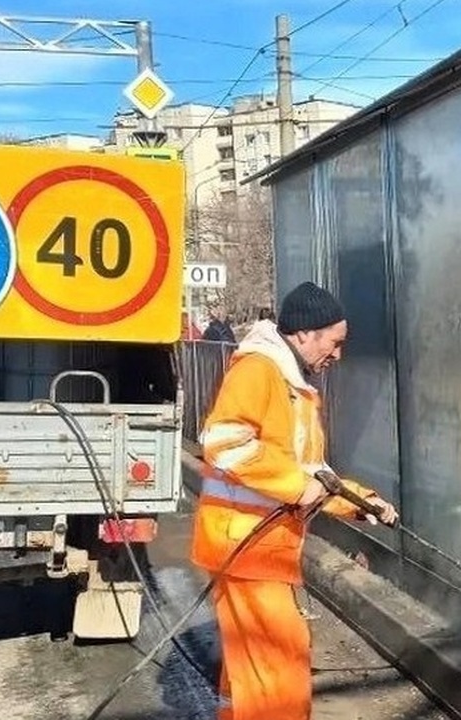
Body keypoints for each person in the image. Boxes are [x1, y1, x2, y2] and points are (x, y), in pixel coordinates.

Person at [191, 281, 399, 720]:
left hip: (256, 550)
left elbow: (310, 475)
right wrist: (294, 484)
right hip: (245, 549)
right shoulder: (260, 370)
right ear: (305, 333)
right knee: (280, 670)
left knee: (253, 676)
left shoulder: (291, 383)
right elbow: (224, 442)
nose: (338, 355)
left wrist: (360, 502)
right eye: (335, 342)